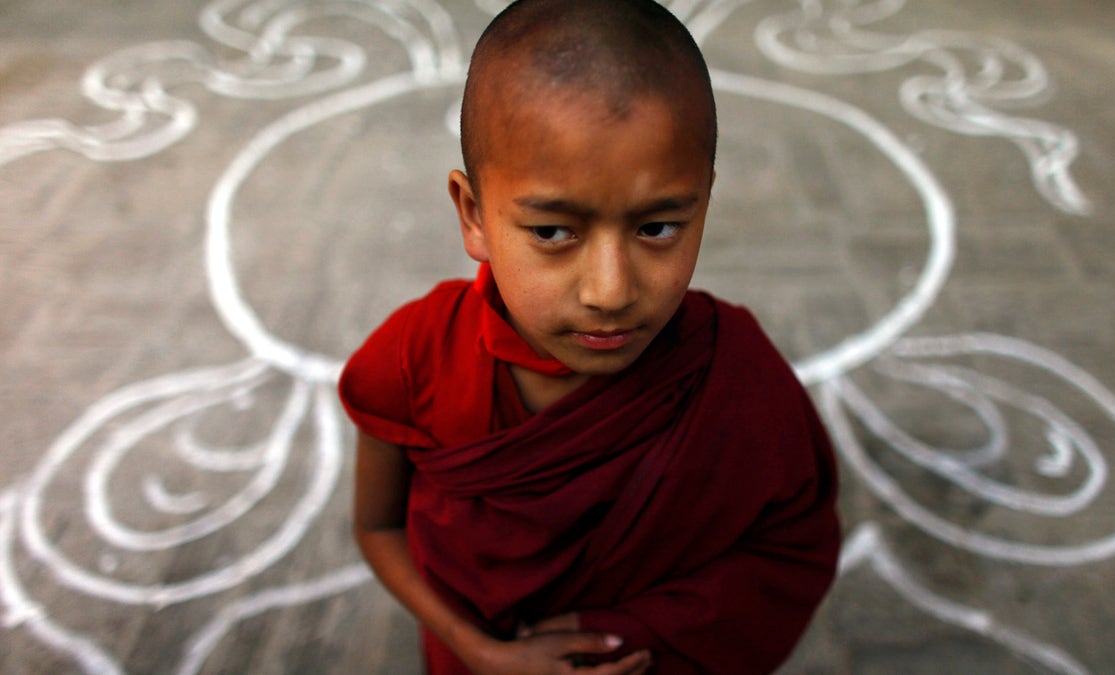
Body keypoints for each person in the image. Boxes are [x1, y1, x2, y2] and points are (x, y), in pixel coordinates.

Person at [339, 0, 841, 672]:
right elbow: (378, 526)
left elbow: (791, 548)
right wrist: (480, 651)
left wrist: (626, 629)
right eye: (552, 232)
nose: (610, 291)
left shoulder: (735, 372)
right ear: (474, 214)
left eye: (658, 227)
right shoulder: (414, 357)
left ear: (704, 202)